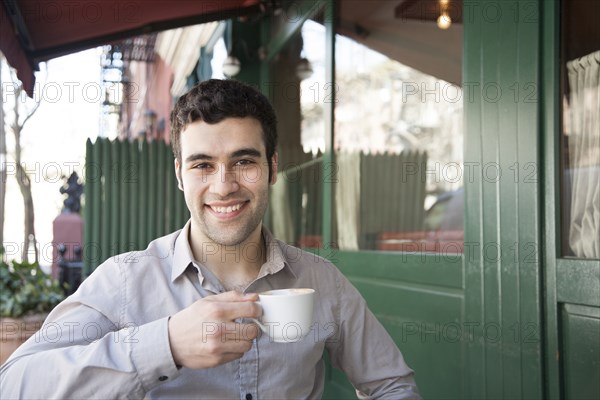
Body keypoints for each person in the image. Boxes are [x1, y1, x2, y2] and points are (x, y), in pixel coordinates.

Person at [0, 79, 420, 399]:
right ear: (180, 174)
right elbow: (15, 384)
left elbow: (392, 385)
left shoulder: (323, 281)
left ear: (272, 168)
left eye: (244, 161)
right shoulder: (126, 281)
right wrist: (164, 345)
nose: (224, 186)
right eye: (203, 165)